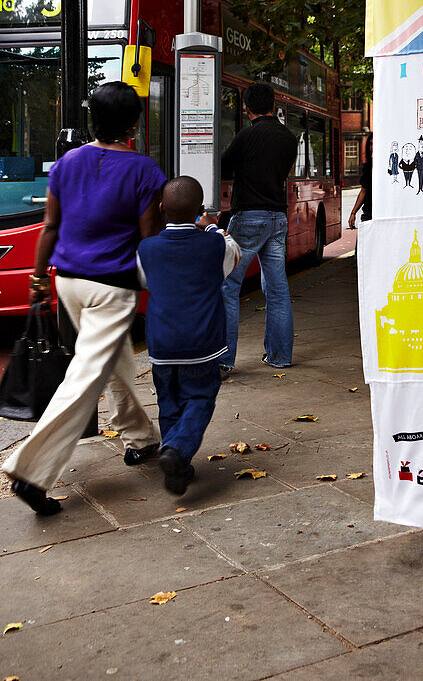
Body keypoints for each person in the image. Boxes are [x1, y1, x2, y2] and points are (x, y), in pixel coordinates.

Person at [4, 82, 165, 516]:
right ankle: (30, 469)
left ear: (93, 119)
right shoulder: (146, 171)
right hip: (112, 287)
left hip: (66, 282)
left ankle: (140, 438)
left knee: (112, 360)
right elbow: (149, 239)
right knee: (85, 377)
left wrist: (38, 278)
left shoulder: (66, 163)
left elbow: (50, 227)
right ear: (134, 124)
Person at [136, 177, 240, 495]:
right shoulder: (214, 244)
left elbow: (144, 281)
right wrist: (210, 227)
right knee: (199, 398)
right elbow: (234, 256)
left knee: (169, 403)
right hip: (202, 344)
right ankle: (177, 451)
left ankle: (177, 468)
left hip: (162, 344)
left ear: (162, 208)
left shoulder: (147, 248)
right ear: (200, 209)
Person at [220, 82, 298, 374]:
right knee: (277, 290)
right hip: (277, 218)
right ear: (273, 106)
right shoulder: (289, 138)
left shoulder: (246, 137)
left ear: (247, 108)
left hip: (248, 218)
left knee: (229, 286)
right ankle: (279, 356)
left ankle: (225, 360)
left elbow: (224, 168)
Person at [349, 133, 373, 229]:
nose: (372, 147)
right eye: (370, 144)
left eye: (375, 144)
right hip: (368, 213)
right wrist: (353, 213)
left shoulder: (388, 167)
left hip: (382, 214)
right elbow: (363, 191)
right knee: (362, 243)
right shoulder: (367, 167)